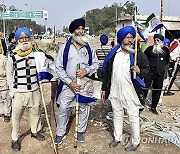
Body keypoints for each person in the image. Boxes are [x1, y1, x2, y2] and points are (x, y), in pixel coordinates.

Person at [101, 26, 149, 151]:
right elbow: (106, 73)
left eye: (132, 37)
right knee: (117, 114)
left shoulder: (138, 56)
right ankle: (117, 138)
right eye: (127, 37)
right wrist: (104, 89)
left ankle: (135, 142)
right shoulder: (113, 55)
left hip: (130, 92)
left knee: (133, 116)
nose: (130, 40)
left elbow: (147, 71)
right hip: (115, 90)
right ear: (121, 39)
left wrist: (139, 71)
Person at [55, 18, 99, 145]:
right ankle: (60, 133)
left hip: (84, 83)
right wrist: (70, 82)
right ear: (73, 31)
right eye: (78, 29)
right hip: (69, 84)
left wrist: (87, 70)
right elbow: (59, 68)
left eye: (82, 28)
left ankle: (80, 131)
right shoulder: (64, 48)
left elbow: (96, 64)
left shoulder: (89, 47)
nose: (81, 31)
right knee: (63, 107)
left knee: (84, 107)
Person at [6, 27, 45, 151]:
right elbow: (9, 73)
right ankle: (15, 139)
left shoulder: (35, 53)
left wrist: (39, 50)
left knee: (36, 113)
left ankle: (34, 131)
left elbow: (43, 65)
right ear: (17, 40)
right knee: (16, 117)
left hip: (34, 89)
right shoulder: (12, 55)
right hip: (18, 92)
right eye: (21, 38)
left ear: (29, 38)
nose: (24, 40)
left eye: (26, 37)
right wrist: (11, 90)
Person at [143, 34, 169, 114]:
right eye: (155, 40)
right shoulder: (149, 49)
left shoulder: (165, 50)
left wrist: (163, 70)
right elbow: (144, 59)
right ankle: (140, 105)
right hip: (149, 73)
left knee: (157, 90)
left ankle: (153, 107)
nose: (156, 42)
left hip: (160, 74)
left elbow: (167, 61)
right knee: (145, 88)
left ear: (161, 41)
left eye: (158, 40)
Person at [0, 49, 11, 122]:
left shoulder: (4, 58)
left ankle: (7, 113)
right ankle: (1, 111)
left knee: (6, 97)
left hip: (4, 80)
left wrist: (1, 73)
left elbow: (8, 71)